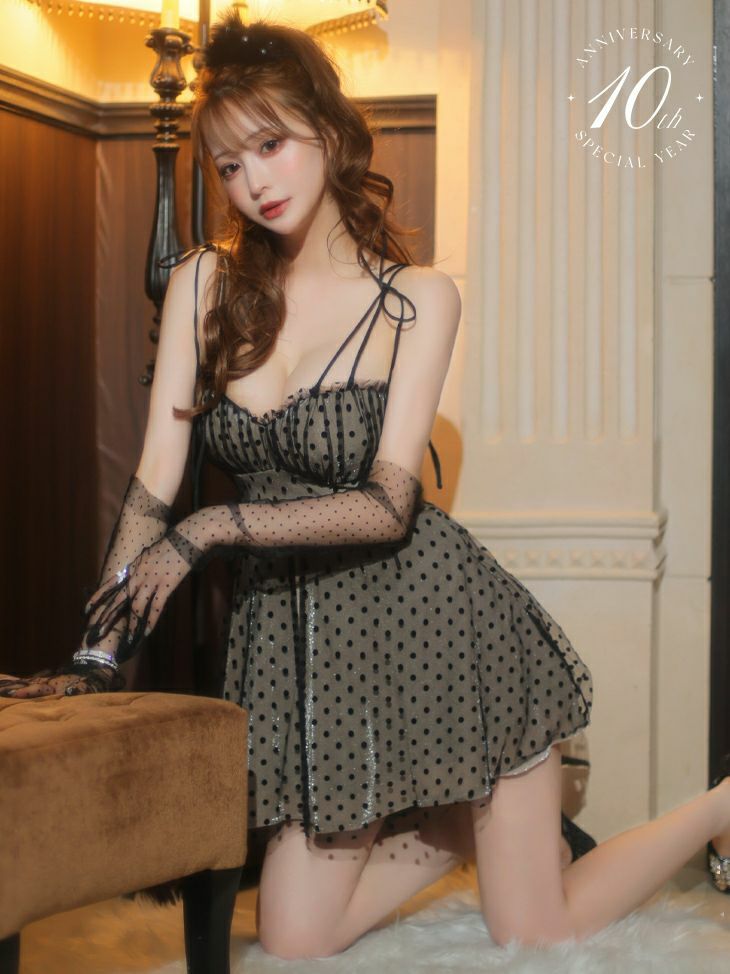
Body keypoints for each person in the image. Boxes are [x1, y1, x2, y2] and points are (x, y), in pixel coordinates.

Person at [2, 8, 729, 957]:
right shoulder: (201, 285)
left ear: (330, 132)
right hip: (311, 650)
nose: (254, 181)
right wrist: (97, 656)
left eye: (272, 144)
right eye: (229, 163)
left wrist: (210, 531)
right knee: (294, 939)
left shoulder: (417, 299)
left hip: (447, 635)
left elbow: (389, 506)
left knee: (535, 927)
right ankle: (464, 820)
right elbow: (152, 483)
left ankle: (718, 805)